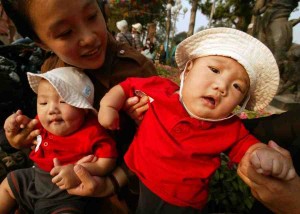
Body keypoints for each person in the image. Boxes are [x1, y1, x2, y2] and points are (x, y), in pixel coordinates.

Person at [98, 27, 295, 213]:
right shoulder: (161, 89)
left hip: (179, 202)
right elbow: (127, 86)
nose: (221, 86)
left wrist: (263, 154)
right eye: (215, 70)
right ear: (189, 68)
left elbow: (247, 147)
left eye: (236, 86)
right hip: (140, 174)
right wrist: (109, 105)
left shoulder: (227, 127)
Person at [1, 0, 156, 212]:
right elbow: (45, 125)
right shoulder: (50, 68)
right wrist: (22, 136)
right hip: (48, 181)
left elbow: (156, 145)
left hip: (118, 187)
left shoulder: (136, 71)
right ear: (41, 42)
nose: (89, 37)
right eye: (65, 32)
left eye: (92, 16)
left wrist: (112, 184)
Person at [0, 66, 117, 213]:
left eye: (63, 102)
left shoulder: (92, 131)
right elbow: (26, 134)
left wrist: (81, 171)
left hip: (66, 194)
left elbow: (108, 159)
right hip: (35, 178)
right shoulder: (41, 123)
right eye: (43, 103)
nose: (52, 110)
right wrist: (15, 126)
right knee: (9, 183)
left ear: (84, 108)